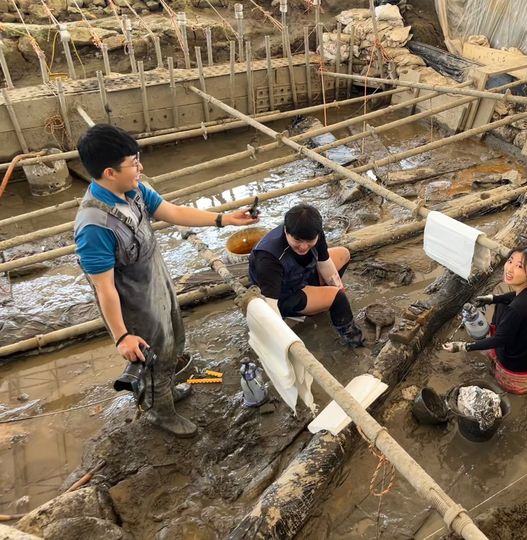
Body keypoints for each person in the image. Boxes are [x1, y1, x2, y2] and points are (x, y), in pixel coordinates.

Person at [74, 124, 259, 438]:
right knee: (154, 355)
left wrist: (225, 218)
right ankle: (160, 412)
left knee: (174, 342)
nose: (140, 168)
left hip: (158, 284)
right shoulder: (94, 226)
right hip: (134, 306)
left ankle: (164, 393)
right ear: (109, 172)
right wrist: (122, 337)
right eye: (133, 163)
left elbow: (171, 211)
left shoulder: (132, 192)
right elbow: (104, 289)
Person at [248, 203, 364, 347]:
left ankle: (321, 303)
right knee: (338, 299)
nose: (303, 247)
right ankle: (353, 339)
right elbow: (270, 304)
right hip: (284, 294)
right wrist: (282, 339)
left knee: (343, 254)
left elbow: (324, 261)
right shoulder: (268, 257)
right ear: (286, 231)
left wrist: (337, 286)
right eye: (297, 240)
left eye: (309, 241)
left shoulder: (316, 233)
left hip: (301, 274)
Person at [443, 247, 527, 395]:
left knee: (505, 387)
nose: (510, 268)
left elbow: (499, 340)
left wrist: (463, 346)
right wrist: (493, 299)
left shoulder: (517, 309)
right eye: (510, 261)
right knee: (502, 305)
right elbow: (514, 296)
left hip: (518, 366)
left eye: (519, 266)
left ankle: (509, 389)